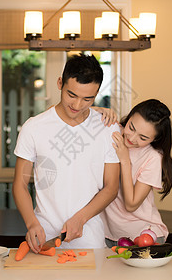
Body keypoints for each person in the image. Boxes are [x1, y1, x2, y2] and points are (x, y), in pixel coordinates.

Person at [12, 54, 120, 253]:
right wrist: (31, 223)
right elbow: (20, 183)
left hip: (90, 239)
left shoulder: (107, 128)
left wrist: (81, 218)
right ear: (60, 83)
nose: (77, 105)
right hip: (45, 237)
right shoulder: (34, 127)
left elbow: (111, 187)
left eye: (87, 98)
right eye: (72, 95)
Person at [100, 99, 172, 247]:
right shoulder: (113, 131)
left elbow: (131, 204)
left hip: (142, 236)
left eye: (143, 138)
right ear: (129, 117)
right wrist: (98, 110)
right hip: (107, 234)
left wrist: (125, 160)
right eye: (131, 127)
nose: (132, 138)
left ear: (155, 139)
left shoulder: (152, 158)